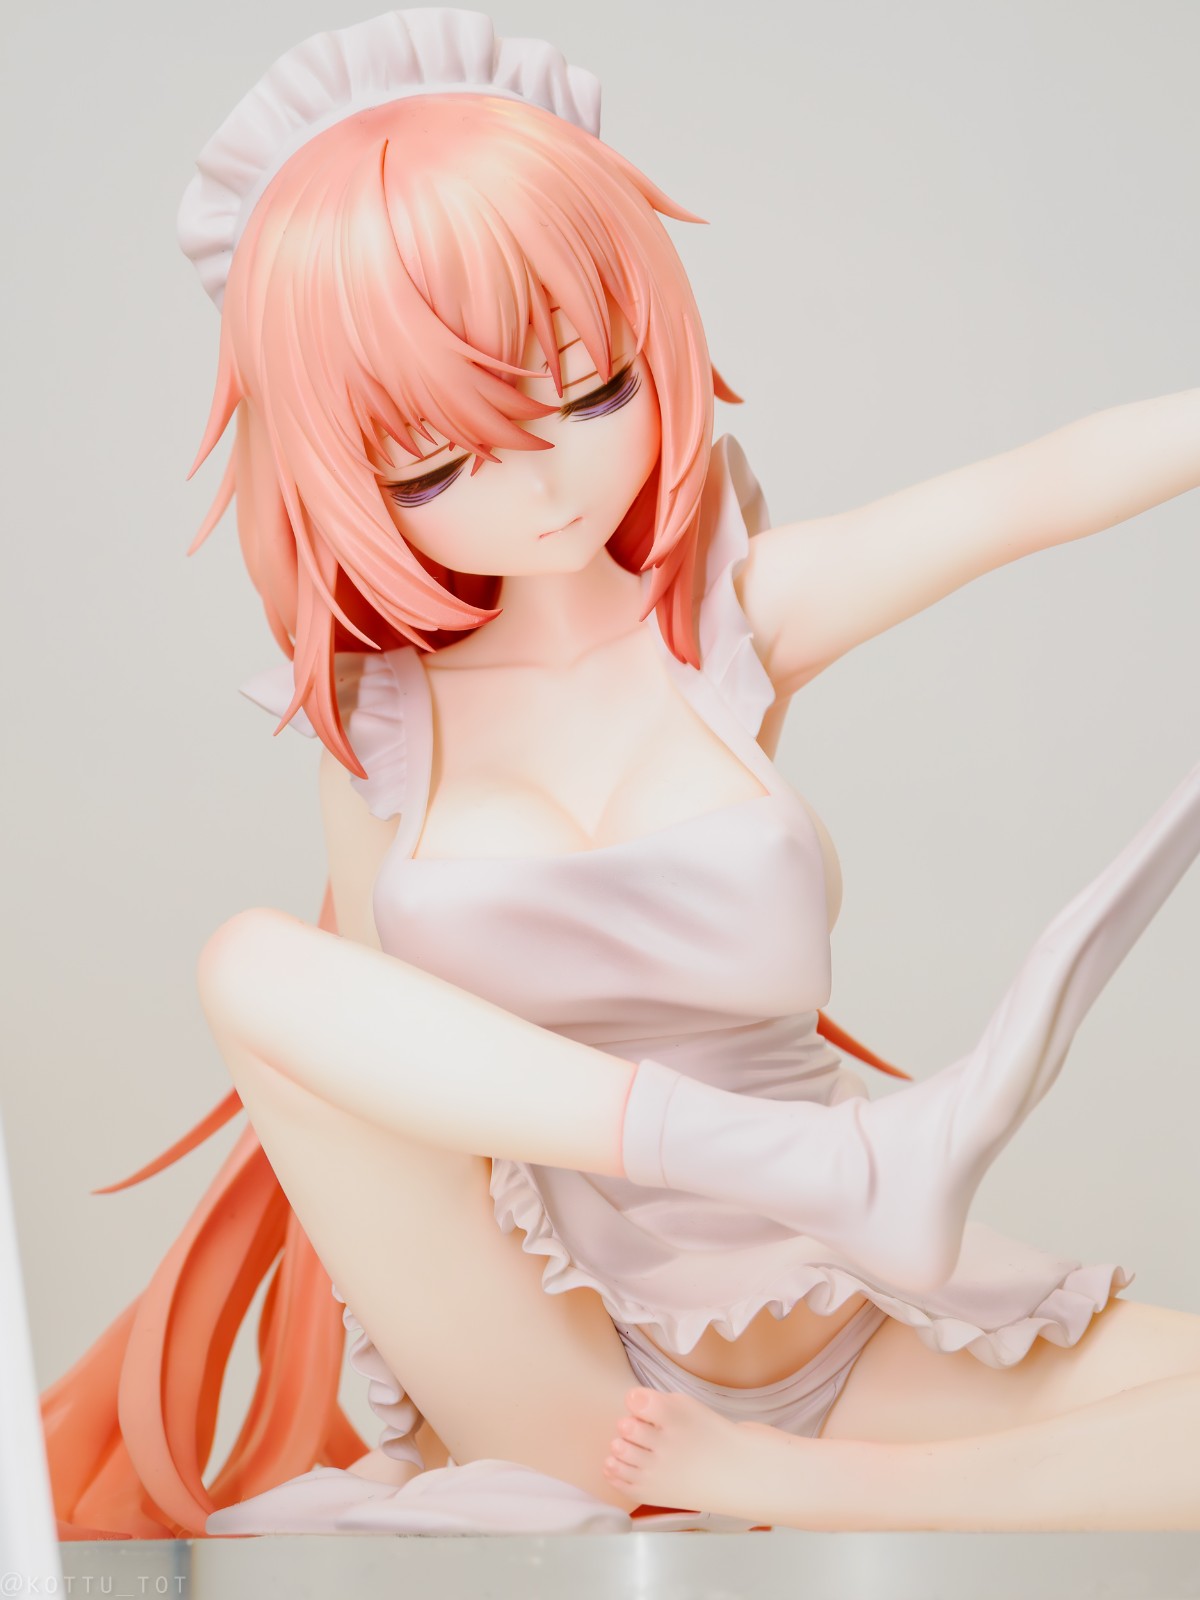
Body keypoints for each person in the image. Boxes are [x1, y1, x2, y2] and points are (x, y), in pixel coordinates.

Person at [40, 9, 1200, 1537]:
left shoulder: (732, 627)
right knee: (258, 966)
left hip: (845, 1332)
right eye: (434, 461)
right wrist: (401, 1387)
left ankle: (840, 1485)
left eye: (595, 394)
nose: (543, 480)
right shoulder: (376, 719)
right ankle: (830, 1167)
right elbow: (361, 1079)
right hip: (567, 1369)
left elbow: (1034, 489)